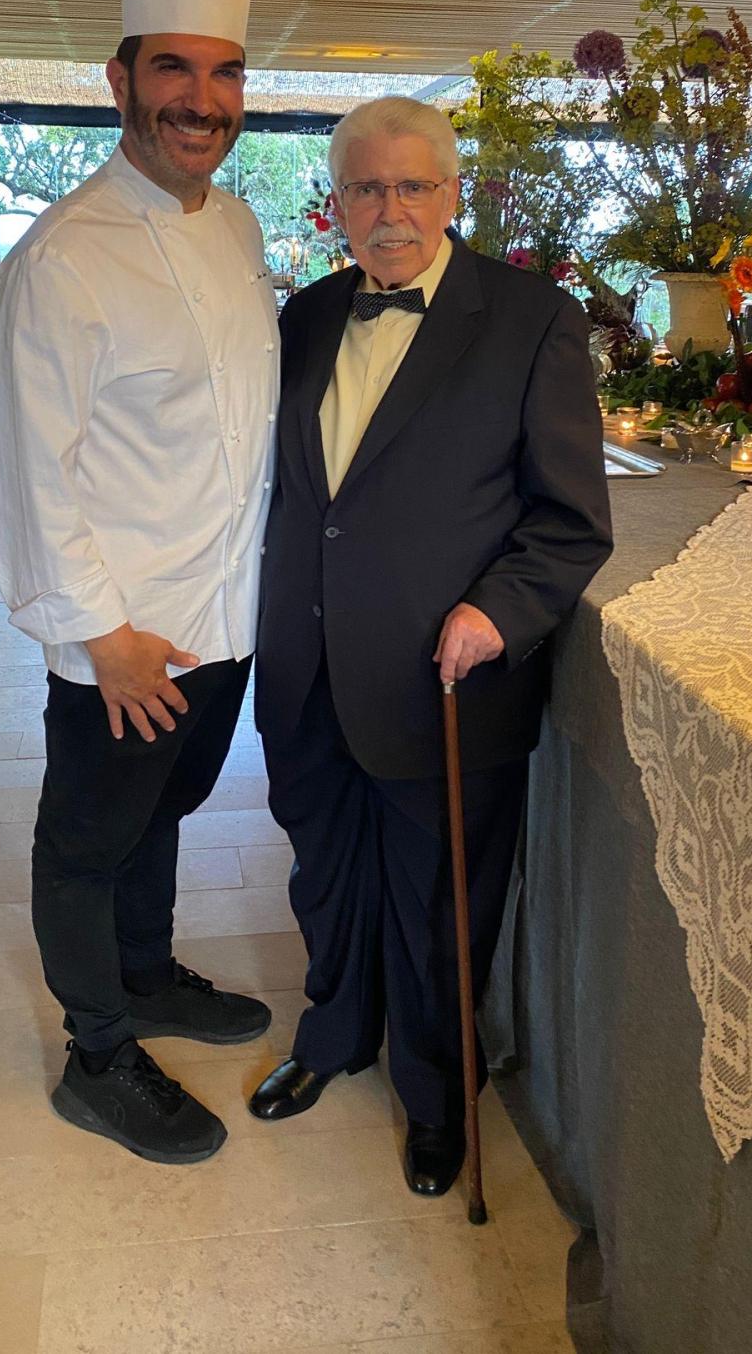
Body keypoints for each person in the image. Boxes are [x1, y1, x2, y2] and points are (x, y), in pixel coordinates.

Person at [0, 0, 277, 1166]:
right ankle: (95, 1053)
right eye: (174, 71)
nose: (201, 102)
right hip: (126, 636)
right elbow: (26, 472)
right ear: (118, 79)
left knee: (165, 815)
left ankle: (148, 973)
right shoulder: (66, 256)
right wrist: (95, 635)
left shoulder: (243, 225)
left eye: (222, 74)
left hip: (222, 622)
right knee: (85, 845)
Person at [249, 96, 612, 1196]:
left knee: (443, 902)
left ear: (455, 193)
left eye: (413, 185)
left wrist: (498, 611)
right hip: (308, 663)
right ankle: (334, 1034)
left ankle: (436, 1090)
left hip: (443, 678)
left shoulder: (534, 318)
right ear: (338, 203)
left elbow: (570, 518)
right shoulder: (304, 317)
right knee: (326, 870)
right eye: (366, 186)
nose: (390, 209)